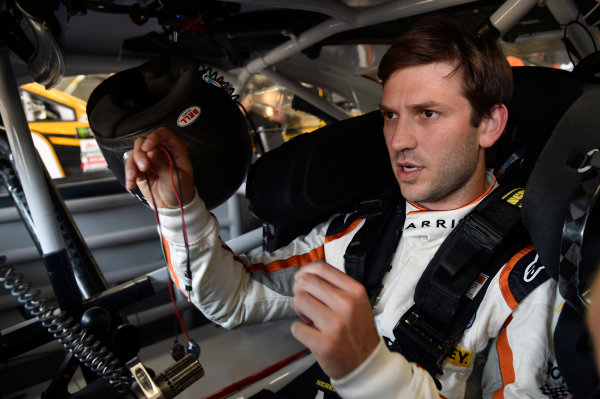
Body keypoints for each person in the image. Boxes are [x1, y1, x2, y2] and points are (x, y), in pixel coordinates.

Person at [124, 15, 566, 399]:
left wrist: (368, 370)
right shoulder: (361, 230)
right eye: (391, 115)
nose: (400, 140)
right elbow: (235, 298)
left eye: (427, 114)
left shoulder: (526, 275)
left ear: (488, 124)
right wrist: (176, 207)